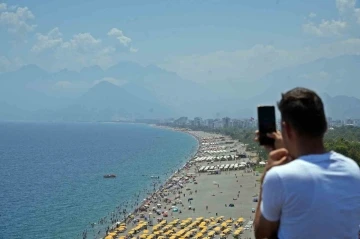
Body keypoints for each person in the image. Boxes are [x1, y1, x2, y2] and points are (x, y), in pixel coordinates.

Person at [253, 87, 360, 239]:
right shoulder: (352, 170)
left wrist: (266, 178)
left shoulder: (278, 177)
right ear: (325, 126)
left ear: (287, 129)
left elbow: (262, 234)